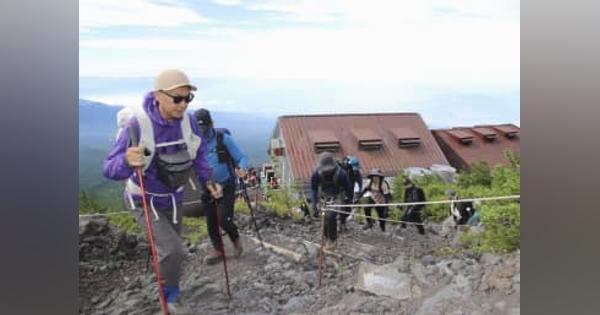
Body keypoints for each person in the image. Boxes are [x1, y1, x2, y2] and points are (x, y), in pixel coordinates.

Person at [103, 69, 220, 314]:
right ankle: (170, 299)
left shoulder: (188, 124)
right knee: (174, 250)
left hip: (175, 198)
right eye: (177, 98)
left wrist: (208, 179)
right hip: (144, 199)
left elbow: (198, 154)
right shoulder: (138, 126)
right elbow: (109, 169)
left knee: (172, 249)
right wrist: (126, 160)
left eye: (188, 99)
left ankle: (170, 288)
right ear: (158, 95)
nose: (183, 105)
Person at [193, 108, 249, 265]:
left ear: (211, 124)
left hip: (227, 185)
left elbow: (241, 157)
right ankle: (218, 250)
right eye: (198, 129)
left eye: (204, 128)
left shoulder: (223, 139)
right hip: (207, 187)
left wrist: (242, 168)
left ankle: (235, 240)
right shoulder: (194, 143)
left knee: (224, 219)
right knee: (211, 221)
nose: (202, 132)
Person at [310, 152, 353, 250]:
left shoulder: (342, 173)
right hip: (324, 197)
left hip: (338, 197)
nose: (327, 172)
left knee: (331, 215)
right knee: (324, 218)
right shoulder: (317, 173)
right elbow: (313, 188)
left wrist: (348, 204)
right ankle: (326, 237)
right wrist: (314, 204)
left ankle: (333, 240)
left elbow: (348, 189)